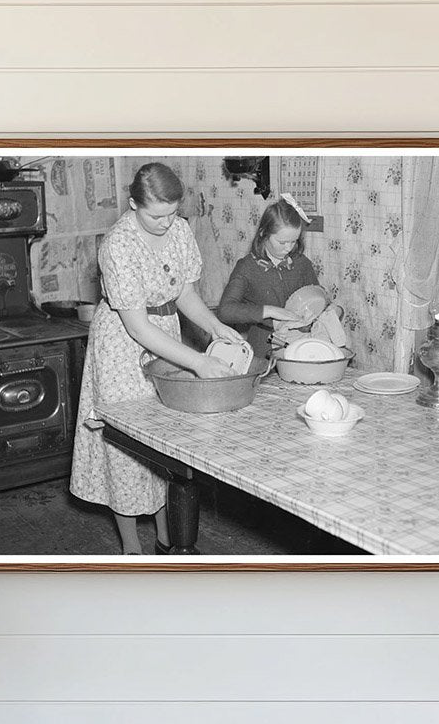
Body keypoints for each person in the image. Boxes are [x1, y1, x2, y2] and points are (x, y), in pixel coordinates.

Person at [70, 162, 245, 555]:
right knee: (127, 444)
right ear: (133, 204)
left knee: (166, 442)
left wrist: (215, 327)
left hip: (165, 333)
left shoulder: (179, 231)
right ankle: (132, 548)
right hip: (122, 345)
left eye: (173, 213)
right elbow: (137, 328)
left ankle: (169, 539)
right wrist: (197, 362)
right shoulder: (118, 244)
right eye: (157, 215)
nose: (167, 223)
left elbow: (183, 292)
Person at [217, 195, 324, 358]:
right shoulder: (247, 267)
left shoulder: (302, 264)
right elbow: (225, 310)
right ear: (263, 234)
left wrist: (321, 313)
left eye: (294, 241)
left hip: (298, 348)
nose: (288, 248)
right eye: (282, 242)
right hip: (263, 350)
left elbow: (317, 297)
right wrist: (270, 311)